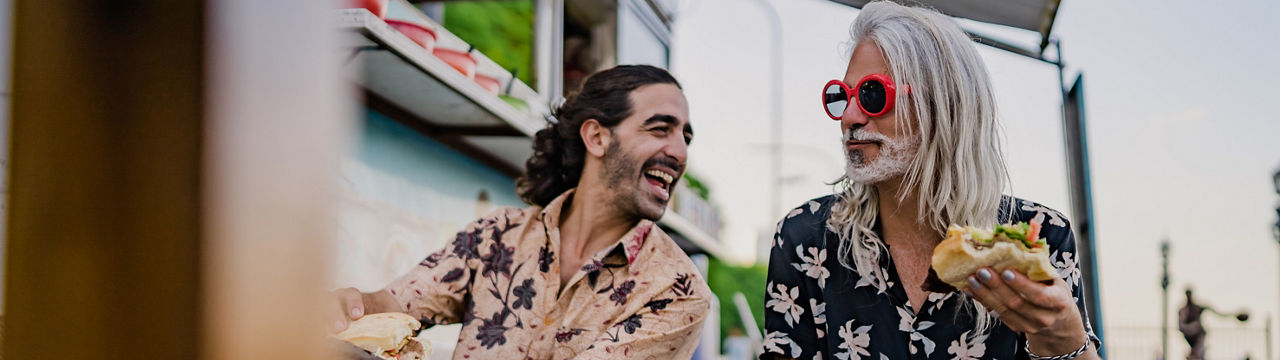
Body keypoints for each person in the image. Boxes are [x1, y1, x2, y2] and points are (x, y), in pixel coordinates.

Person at [760, 2, 1101, 359]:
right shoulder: (805, 240)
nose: (849, 117)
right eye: (840, 96)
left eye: (872, 94)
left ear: (944, 104)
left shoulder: (1039, 237)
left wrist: (1067, 343)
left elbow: (1065, 343)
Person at [329, 65, 711, 359]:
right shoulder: (496, 235)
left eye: (686, 137)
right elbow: (396, 307)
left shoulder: (678, 291)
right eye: (661, 129)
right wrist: (350, 308)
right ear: (597, 137)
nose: (680, 152)